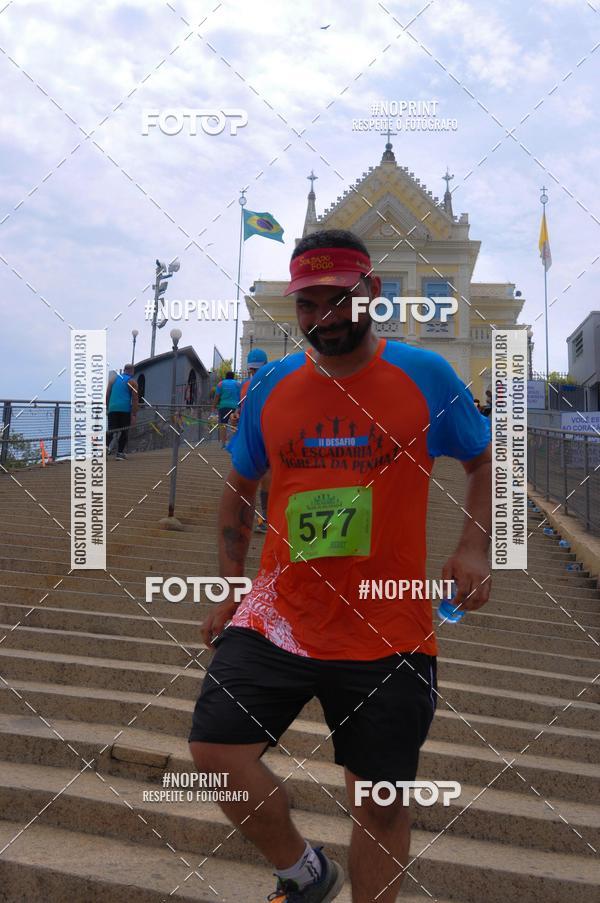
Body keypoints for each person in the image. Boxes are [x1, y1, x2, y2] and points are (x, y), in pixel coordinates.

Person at [189, 229, 492, 903]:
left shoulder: (426, 375)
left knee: (380, 803)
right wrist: (231, 589)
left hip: (391, 627)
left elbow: (482, 458)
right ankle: (303, 872)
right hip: (279, 615)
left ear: (373, 295)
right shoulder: (272, 385)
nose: (324, 316)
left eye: (341, 298)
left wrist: (474, 546)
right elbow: (240, 487)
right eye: (308, 303)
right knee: (215, 752)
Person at [240, 348, 271, 533]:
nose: (255, 372)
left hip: (262, 435)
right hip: (252, 437)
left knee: (263, 476)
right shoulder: (246, 385)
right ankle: (261, 518)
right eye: (253, 370)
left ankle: (264, 518)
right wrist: (237, 416)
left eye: (257, 369)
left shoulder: (272, 382)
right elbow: (242, 410)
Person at [106, 364, 138, 460]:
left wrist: (108, 408)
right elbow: (135, 399)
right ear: (132, 371)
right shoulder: (132, 382)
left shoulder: (113, 379)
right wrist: (134, 414)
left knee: (111, 430)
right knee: (124, 431)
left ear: (124, 370)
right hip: (125, 409)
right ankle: (120, 453)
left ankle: (104, 449)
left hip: (112, 408)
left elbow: (107, 394)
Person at [214, 371, 241, 446]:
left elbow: (217, 396)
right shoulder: (238, 384)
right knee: (234, 424)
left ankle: (223, 444)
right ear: (233, 376)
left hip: (223, 407)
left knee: (223, 425)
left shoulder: (221, 384)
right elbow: (241, 395)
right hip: (235, 407)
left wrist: (213, 406)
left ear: (226, 376)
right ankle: (235, 443)